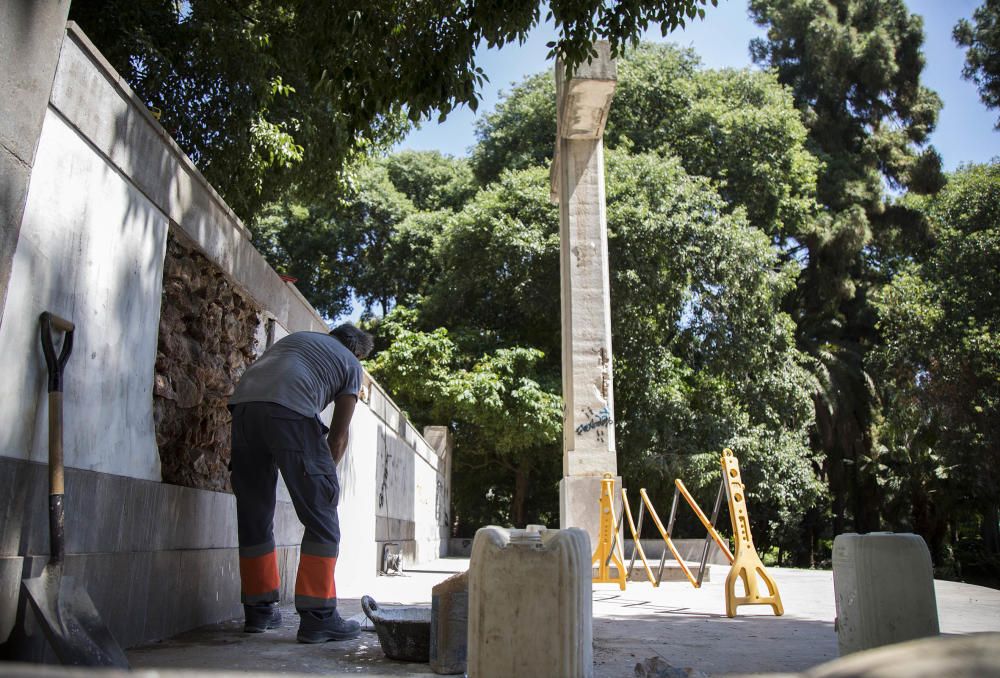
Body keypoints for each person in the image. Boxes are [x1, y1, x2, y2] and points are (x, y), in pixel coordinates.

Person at [228, 322, 374, 643]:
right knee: (323, 518)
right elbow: (338, 436)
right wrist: (322, 480)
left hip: (243, 409)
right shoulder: (351, 364)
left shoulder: (299, 341)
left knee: (254, 515)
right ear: (358, 351)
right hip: (290, 409)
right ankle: (319, 617)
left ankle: (260, 610)